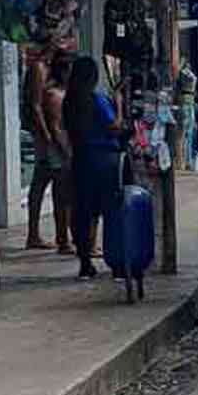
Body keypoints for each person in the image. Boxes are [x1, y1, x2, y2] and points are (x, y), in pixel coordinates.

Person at [63, 56, 122, 280]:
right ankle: (117, 263)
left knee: (84, 212)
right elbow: (114, 126)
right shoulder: (97, 100)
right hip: (105, 159)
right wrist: (119, 105)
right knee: (111, 211)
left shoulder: (69, 102)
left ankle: (85, 263)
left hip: (81, 160)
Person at [24, 38, 64, 250]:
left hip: (44, 131)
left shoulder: (44, 67)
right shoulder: (40, 68)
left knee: (43, 180)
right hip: (43, 132)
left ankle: (38, 234)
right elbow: (36, 105)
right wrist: (47, 134)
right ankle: (34, 234)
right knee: (45, 181)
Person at [41, 53, 75, 254]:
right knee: (62, 196)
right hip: (60, 150)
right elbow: (55, 128)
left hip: (65, 147)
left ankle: (65, 237)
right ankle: (63, 238)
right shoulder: (54, 95)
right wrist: (65, 151)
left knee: (66, 195)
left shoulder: (65, 92)